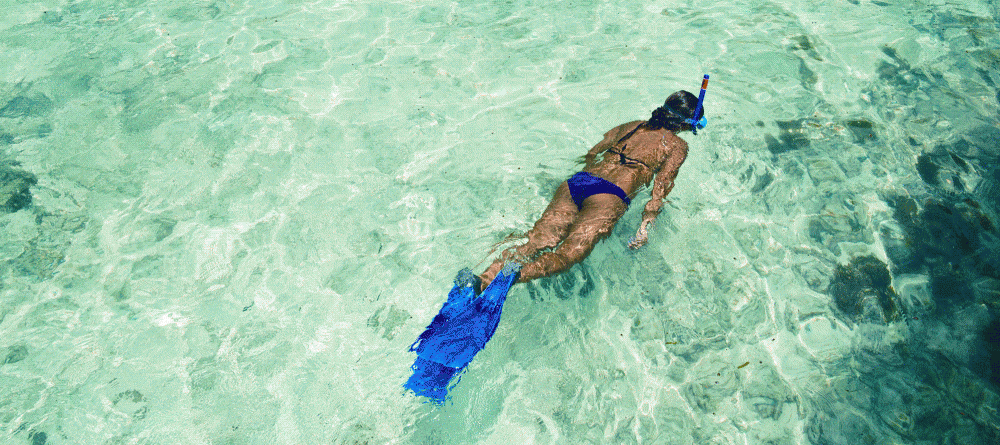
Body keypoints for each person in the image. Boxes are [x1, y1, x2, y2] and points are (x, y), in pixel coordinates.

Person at [478, 90, 704, 288]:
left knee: (534, 243)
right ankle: (512, 279)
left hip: (578, 183)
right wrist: (645, 225)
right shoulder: (677, 145)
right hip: (610, 196)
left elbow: (592, 153)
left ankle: (485, 277)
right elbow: (661, 188)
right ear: (686, 124)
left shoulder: (632, 125)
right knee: (567, 257)